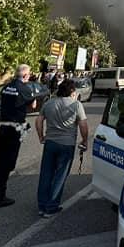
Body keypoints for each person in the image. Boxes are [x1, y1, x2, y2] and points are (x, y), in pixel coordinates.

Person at [35, 78, 88, 217]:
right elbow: (83, 125)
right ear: (72, 91)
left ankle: (42, 205)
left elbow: (39, 120)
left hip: (50, 143)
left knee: (46, 173)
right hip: (67, 144)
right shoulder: (76, 105)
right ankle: (51, 206)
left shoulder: (49, 103)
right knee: (60, 175)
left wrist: (41, 136)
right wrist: (85, 140)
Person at [0, 64, 37, 209]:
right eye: (29, 74)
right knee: (8, 162)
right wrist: (33, 95)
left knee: (0, 160)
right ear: (26, 75)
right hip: (15, 128)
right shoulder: (24, 89)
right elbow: (33, 106)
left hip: (3, 126)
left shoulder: (6, 87)